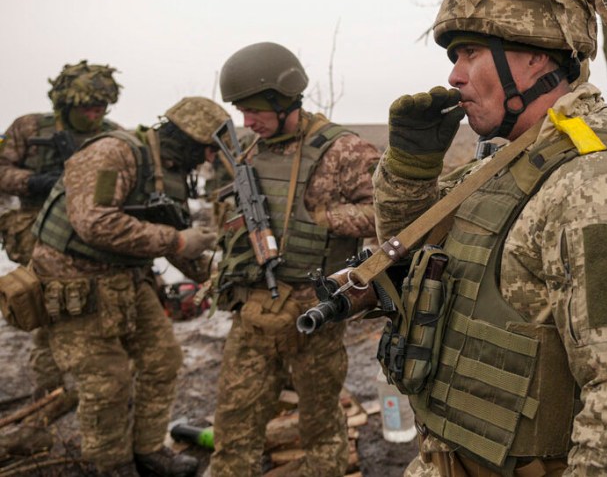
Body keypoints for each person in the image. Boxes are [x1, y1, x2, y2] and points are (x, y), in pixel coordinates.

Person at [371, 0, 607, 474]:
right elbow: (403, 261)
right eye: (454, 58)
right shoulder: (505, 166)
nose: (455, 77)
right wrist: (410, 171)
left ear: (537, 56)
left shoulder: (602, 186)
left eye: (472, 53)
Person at [29, 96, 226, 476]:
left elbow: (174, 240)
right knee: (107, 382)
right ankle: (113, 465)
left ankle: (148, 449)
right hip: (73, 280)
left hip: (126, 277)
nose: (208, 160)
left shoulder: (166, 170)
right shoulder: (115, 153)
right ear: (185, 139)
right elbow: (94, 223)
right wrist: (177, 240)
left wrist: (220, 283)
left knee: (162, 359)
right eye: (206, 149)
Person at [210, 41, 380, 476]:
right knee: (233, 429)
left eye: (254, 112)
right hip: (252, 314)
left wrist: (325, 218)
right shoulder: (250, 150)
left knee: (322, 426)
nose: (247, 122)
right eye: (241, 112)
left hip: (313, 316)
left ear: (284, 99)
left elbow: (393, 214)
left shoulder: (343, 149)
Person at [0, 61, 121, 400]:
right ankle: (50, 389)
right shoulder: (26, 127)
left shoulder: (112, 133)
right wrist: (32, 182)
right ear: (67, 104)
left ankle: (98, 384)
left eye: (102, 107)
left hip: (89, 232)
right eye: (88, 108)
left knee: (90, 307)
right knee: (48, 303)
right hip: (34, 226)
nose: (96, 115)